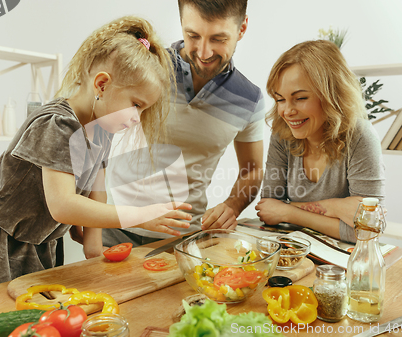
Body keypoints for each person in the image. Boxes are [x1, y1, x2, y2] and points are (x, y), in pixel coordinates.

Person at [0, 16, 193, 298]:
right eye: (136, 105)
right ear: (101, 85)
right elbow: (63, 205)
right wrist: (141, 215)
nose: (137, 118)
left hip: (39, 244)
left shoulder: (102, 131)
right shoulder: (58, 125)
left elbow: (97, 193)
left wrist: (94, 249)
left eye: (144, 110)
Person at [102, 0, 266, 247]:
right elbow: (95, 133)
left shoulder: (250, 100)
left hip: (184, 239)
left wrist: (233, 204)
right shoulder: (148, 68)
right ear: (181, 24)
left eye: (218, 39)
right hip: (115, 231)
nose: (203, 52)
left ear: (242, 28)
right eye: (193, 35)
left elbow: (252, 170)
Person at [255, 40, 385, 243]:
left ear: (332, 95)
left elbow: (368, 230)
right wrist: (336, 208)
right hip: (295, 253)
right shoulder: (282, 133)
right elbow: (268, 209)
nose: (287, 111)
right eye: (280, 99)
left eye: (300, 98)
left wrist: (288, 213)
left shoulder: (360, 136)